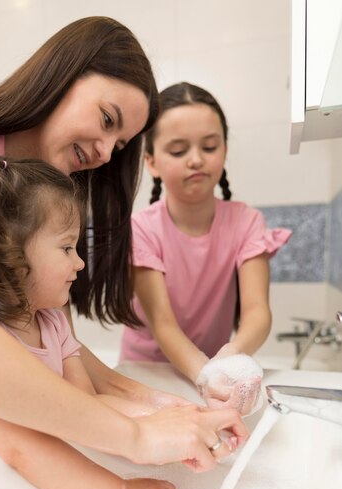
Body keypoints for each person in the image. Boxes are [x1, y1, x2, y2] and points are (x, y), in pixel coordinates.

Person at [0, 22, 248, 489]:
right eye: (107, 119)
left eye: (118, 147)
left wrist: (169, 409)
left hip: (5, 463)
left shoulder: (44, 195)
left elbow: (64, 355)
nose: (103, 153)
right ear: (61, 76)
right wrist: (136, 436)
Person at [119, 82, 292, 412]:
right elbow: (163, 324)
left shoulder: (247, 222)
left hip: (216, 369)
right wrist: (205, 374)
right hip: (146, 374)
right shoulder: (141, 229)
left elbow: (257, 311)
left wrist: (231, 355)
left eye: (209, 147)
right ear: (152, 162)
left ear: (224, 150)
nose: (196, 160)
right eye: (178, 150)